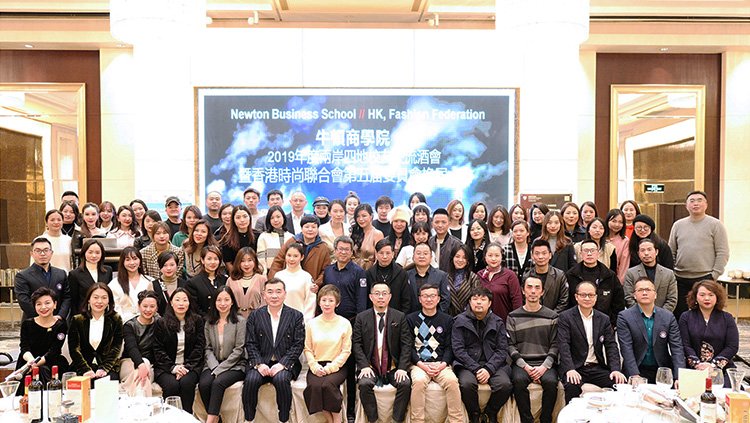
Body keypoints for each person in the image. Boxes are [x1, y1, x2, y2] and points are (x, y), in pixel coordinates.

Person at [242, 278, 305, 423]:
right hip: (261, 362)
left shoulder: (296, 316)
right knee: (251, 380)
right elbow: (250, 343)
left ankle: (284, 419)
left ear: (285, 294)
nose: (274, 296)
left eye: (278, 291)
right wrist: (259, 364)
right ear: (264, 295)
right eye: (270, 292)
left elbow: (298, 344)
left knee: (281, 380)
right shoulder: (255, 316)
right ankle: (249, 419)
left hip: (284, 363)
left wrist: (282, 364)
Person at [557, 281, 626, 403]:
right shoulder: (566, 317)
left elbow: (611, 346)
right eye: (583, 295)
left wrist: (615, 369)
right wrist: (570, 369)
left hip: (596, 367)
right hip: (575, 367)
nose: (587, 298)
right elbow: (563, 345)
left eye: (591, 295)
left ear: (596, 297)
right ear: (576, 297)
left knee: (619, 383)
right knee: (572, 386)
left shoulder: (603, 319)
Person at [352, 282, 412, 423]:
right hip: (370, 366)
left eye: (384, 294)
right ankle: (373, 419)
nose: (380, 297)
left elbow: (406, 344)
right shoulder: (361, 317)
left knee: (405, 383)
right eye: (377, 293)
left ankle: (396, 420)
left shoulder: (399, 317)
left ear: (389, 297)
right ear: (370, 297)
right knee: (364, 383)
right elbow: (356, 344)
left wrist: (402, 368)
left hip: (393, 367)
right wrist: (364, 366)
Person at [452, 287, 513, 423]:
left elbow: (502, 350)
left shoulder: (498, 322)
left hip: (493, 364)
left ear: (490, 303)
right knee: (466, 384)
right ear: (469, 302)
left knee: (505, 385)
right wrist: (477, 369)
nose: (478, 302)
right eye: (475, 299)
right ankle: (474, 414)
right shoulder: (459, 321)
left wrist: (488, 369)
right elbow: (458, 349)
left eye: (483, 299)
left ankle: (490, 413)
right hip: (468, 364)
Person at [406, 284, 462, 423]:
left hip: (440, 364)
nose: (429, 299)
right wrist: (421, 365)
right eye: (425, 296)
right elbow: (408, 347)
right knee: (418, 382)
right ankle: (417, 421)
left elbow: (450, 347)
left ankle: (456, 420)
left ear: (438, 299)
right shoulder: (411, 319)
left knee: (452, 382)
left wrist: (442, 365)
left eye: (432, 296)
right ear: (420, 299)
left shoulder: (447, 320)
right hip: (419, 365)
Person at [669, 191, 730, 318]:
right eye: (692, 201)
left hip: (705, 277)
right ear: (686, 205)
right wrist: (673, 271)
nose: (695, 203)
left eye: (699, 200)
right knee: (680, 314)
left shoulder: (715, 225)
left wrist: (714, 275)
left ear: (706, 204)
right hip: (680, 278)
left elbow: (723, 252)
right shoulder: (678, 225)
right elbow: (671, 251)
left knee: (704, 314)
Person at [507, 277, 559, 423]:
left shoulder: (552, 316)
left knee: (551, 382)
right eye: (529, 287)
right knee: (518, 381)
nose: (533, 291)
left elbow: (555, 345)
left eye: (537, 288)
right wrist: (525, 366)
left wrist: (544, 367)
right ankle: (527, 420)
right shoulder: (513, 316)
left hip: (544, 363)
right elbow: (510, 345)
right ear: (523, 291)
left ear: (542, 292)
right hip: (522, 363)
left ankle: (545, 419)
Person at [617, 278, 685, 383]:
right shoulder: (624, 317)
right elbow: (626, 348)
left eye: (648, 290)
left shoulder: (668, 317)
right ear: (634, 295)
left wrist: (679, 377)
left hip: (662, 370)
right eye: (640, 290)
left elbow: (677, 348)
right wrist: (634, 375)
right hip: (636, 369)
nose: (644, 293)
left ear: (655, 294)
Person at [303, 285, 352, 422]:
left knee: (327, 385)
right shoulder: (311, 324)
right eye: (324, 300)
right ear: (319, 302)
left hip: (337, 366)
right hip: (317, 365)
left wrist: (330, 368)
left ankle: (337, 420)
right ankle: (331, 421)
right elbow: (307, 349)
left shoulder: (345, 323)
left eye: (331, 300)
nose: (327, 304)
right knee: (314, 387)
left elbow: (346, 350)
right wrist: (314, 366)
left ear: (337, 303)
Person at [153, 288, 205, 413]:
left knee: (187, 383)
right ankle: (170, 417)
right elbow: (158, 349)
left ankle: (187, 416)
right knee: (171, 385)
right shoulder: (161, 323)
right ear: (171, 303)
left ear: (189, 303)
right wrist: (174, 368)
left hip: (190, 366)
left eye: (184, 300)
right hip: (166, 367)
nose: (181, 303)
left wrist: (186, 367)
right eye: (177, 300)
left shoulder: (197, 321)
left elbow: (199, 347)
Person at [199, 287, 246, 423]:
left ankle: (210, 421)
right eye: (219, 300)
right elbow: (207, 348)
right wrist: (215, 367)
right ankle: (217, 418)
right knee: (204, 384)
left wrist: (220, 369)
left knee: (218, 383)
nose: (223, 303)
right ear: (214, 302)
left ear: (232, 302)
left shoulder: (240, 321)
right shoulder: (209, 322)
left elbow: (239, 349)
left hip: (235, 365)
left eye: (226, 299)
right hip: (213, 364)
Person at [679, 280, 738, 387]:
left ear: (717, 297)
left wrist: (714, 365)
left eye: (711, 295)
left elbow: (732, 346)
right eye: (702, 295)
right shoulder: (686, 317)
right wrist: (698, 364)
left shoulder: (727, 318)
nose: (706, 298)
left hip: (722, 369)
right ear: (695, 297)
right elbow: (685, 344)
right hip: (694, 368)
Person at [68, 283, 123, 381]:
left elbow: (116, 347)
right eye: (95, 297)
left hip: (107, 367)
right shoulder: (77, 320)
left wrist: (104, 368)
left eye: (104, 298)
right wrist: (85, 369)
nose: (99, 301)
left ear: (109, 300)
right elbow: (74, 349)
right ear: (89, 300)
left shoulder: (116, 319)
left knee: (107, 382)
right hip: (82, 367)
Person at [566, 239, 624, 327]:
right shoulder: (571, 275)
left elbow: (618, 302)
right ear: (580, 254)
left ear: (598, 253)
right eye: (586, 251)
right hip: (576, 323)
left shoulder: (609, 275)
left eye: (592, 250)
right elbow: (567, 301)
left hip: (604, 323)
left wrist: (612, 323)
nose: (589, 254)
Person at [17, 287, 69, 386]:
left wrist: (35, 364)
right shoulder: (27, 324)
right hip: (28, 361)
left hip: (51, 363)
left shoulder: (61, 325)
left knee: (44, 374)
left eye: (47, 303)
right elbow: (24, 347)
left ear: (55, 304)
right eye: (39, 304)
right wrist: (31, 361)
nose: (43, 307)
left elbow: (54, 351)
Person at [15, 237, 71, 321]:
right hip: (33, 322)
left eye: (46, 250)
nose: (42, 254)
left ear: (51, 253)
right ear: (32, 254)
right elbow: (24, 301)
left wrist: (60, 316)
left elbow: (67, 297)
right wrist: (43, 317)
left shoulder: (61, 274)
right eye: (38, 251)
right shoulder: (22, 276)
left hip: (58, 321)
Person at [269, 215, 332, 288]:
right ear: (301, 228)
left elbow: (325, 270)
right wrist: (273, 282)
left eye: (313, 227)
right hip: (287, 285)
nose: (310, 229)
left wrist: (316, 284)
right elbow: (278, 261)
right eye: (307, 227)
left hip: (310, 286)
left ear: (318, 229)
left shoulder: (323, 247)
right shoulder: (292, 241)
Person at [120, 291, 159, 395]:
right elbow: (131, 348)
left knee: (143, 371)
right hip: (129, 362)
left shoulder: (160, 323)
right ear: (139, 306)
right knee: (144, 365)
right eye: (145, 306)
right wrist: (141, 365)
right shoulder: (129, 325)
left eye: (152, 306)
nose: (148, 310)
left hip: (151, 365)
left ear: (156, 308)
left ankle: (134, 397)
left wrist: (144, 365)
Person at [623, 239, 678, 311]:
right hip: (637, 314)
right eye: (642, 250)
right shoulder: (631, 273)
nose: (646, 253)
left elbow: (672, 299)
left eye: (649, 249)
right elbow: (628, 297)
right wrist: (640, 313)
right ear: (638, 253)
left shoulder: (668, 274)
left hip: (662, 314)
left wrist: (661, 314)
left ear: (656, 252)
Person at [323, 236, 367, 320]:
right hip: (329, 317)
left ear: (351, 252)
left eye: (347, 249)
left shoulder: (359, 272)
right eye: (340, 249)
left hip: (351, 319)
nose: (343, 252)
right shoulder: (328, 270)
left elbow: (361, 299)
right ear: (335, 251)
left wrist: (359, 321)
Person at [477, 242, 522, 322]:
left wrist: (515, 321)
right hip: (482, 321)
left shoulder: (510, 275)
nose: (493, 259)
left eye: (497, 255)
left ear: (502, 257)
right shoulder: (479, 275)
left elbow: (517, 300)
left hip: (504, 320)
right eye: (490, 255)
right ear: (485, 257)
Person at [68, 239, 113, 316]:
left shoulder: (108, 271)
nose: (94, 256)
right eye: (90, 252)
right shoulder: (74, 274)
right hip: (84, 315)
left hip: (103, 314)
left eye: (97, 252)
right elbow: (73, 302)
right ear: (84, 253)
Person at [273, 243, 317, 321]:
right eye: (289, 255)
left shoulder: (306, 277)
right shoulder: (278, 276)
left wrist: (304, 322)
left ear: (302, 257)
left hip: (299, 321)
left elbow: (310, 303)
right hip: (279, 320)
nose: (291, 259)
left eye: (295, 256)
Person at [109, 246, 154, 322]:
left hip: (147, 322)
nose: (132, 263)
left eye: (135, 258)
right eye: (128, 259)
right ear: (122, 262)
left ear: (140, 261)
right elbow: (114, 307)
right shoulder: (114, 284)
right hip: (123, 323)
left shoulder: (150, 281)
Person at [365, 239, 412, 313]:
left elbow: (406, 300)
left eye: (388, 253)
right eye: (381, 253)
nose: (385, 256)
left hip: (397, 315)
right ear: (376, 254)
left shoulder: (401, 273)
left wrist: (402, 317)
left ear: (393, 254)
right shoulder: (369, 274)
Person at [523, 239, 569, 313]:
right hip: (533, 316)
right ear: (532, 256)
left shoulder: (559, 275)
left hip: (555, 317)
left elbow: (564, 301)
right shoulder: (527, 276)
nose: (540, 257)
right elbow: (524, 299)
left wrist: (550, 316)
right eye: (537, 253)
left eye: (544, 253)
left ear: (550, 255)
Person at [405, 243, 450, 313]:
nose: (422, 256)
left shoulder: (441, 276)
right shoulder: (406, 275)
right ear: (413, 257)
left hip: (435, 317)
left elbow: (445, 300)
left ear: (431, 257)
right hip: (410, 317)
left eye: (425, 253)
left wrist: (436, 315)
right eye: (418, 253)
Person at [185, 245, 228, 317]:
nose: (213, 262)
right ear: (202, 260)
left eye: (216, 259)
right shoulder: (193, 283)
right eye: (209, 259)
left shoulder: (225, 280)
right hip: (203, 320)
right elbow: (194, 308)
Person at [226, 246, 266, 318]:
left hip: (256, 318)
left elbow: (265, 302)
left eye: (250, 260)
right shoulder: (231, 280)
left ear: (255, 261)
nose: (246, 264)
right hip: (235, 318)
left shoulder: (262, 279)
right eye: (242, 261)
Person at [256, 205, 294, 274]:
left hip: (289, 273)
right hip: (269, 273)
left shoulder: (291, 237)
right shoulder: (263, 236)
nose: (275, 220)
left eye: (278, 217)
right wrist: (264, 274)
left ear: (284, 218)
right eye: (272, 218)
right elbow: (261, 259)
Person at [219, 205, 257, 274]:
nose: (242, 220)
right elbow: (228, 263)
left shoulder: (258, 235)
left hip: (256, 274)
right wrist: (237, 276)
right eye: (238, 217)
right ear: (233, 220)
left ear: (249, 217)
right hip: (237, 275)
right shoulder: (227, 239)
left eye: (245, 216)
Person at [446, 244, 480, 316]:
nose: (460, 260)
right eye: (457, 256)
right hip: (447, 316)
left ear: (468, 261)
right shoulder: (445, 276)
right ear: (452, 258)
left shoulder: (473, 277)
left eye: (464, 258)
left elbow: (475, 300)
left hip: (467, 317)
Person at [350, 204, 385, 271]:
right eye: (358, 216)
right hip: (352, 270)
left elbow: (379, 258)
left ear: (371, 216)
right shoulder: (353, 232)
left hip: (369, 271)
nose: (361, 219)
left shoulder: (377, 234)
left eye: (364, 216)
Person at [151, 251, 186, 316]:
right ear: (160, 267)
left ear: (177, 266)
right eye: (165, 265)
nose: (168, 268)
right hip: (160, 320)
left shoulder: (185, 284)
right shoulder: (153, 285)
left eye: (172, 265)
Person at [428, 208, 462, 272]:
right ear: (432, 224)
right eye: (437, 222)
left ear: (449, 223)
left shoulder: (457, 244)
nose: (440, 225)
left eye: (443, 222)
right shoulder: (429, 242)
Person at [605, 208, 631, 282]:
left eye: (620, 222)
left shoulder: (625, 241)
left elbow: (624, 266)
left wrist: (618, 283)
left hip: (615, 280)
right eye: (614, 221)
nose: (617, 225)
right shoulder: (601, 238)